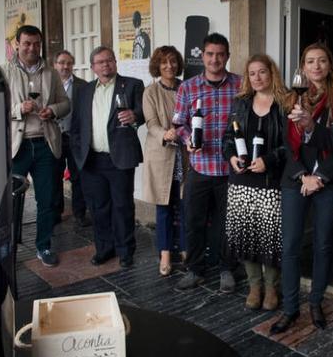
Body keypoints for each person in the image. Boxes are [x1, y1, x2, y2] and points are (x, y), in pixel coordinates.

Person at [269, 43, 333, 334]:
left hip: (327, 182)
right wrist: (303, 175)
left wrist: (321, 178)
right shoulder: (290, 100)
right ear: (302, 67)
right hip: (295, 180)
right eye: (310, 61)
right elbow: (285, 145)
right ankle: (290, 308)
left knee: (323, 245)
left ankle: (316, 301)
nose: (316, 66)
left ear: (329, 65)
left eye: (322, 61)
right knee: (289, 246)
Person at [173, 33, 242, 292]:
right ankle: (195, 269)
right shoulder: (187, 87)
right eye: (210, 54)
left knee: (228, 224)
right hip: (199, 168)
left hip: (230, 169)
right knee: (193, 221)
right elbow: (179, 123)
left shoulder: (241, 85)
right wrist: (189, 138)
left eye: (220, 54)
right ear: (202, 55)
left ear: (227, 56)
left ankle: (226, 269)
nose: (215, 59)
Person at [222, 54, 288, 311]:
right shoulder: (240, 103)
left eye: (262, 72)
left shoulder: (285, 103)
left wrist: (269, 160)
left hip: (270, 180)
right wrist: (231, 157)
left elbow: (292, 145)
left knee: (269, 237)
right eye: (252, 73)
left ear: (272, 73)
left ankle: (272, 288)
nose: (257, 77)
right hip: (242, 178)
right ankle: (254, 286)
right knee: (246, 235)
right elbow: (228, 137)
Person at [70, 46, 144, 269]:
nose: (105, 65)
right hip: (91, 159)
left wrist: (135, 116)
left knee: (122, 206)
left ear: (115, 62)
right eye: (100, 62)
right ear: (93, 67)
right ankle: (104, 249)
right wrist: (78, 152)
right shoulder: (84, 91)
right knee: (98, 208)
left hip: (119, 157)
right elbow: (76, 126)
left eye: (109, 60)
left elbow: (144, 112)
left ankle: (125, 251)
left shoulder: (132, 85)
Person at [6, 25, 70, 267]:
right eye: (27, 43)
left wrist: (52, 110)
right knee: (11, 201)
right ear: (17, 44)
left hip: (45, 144)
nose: (32, 48)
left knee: (47, 200)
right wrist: (17, 110)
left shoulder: (51, 74)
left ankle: (43, 246)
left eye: (36, 43)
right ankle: (8, 247)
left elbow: (66, 103)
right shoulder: (5, 71)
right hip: (18, 146)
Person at [142, 46, 188, 276]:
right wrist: (165, 133)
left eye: (173, 62)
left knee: (186, 206)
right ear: (157, 66)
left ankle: (187, 251)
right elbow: (151, 123)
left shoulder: (187, 87)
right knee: (164, 208)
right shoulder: (150, 92)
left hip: (186, 155)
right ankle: (166, 254)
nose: (169, 66)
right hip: (163, 156)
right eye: (164, 63)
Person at [52, 50, 90, 227]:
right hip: (54, 137)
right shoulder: (49, 85)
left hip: (75, 138)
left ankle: (79, 213)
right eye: (61, 62)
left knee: (78, 177)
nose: (65, 66)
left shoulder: (83, 86)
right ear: (55, 65)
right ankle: (56, 212)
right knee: (54, 176)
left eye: (68, 63)